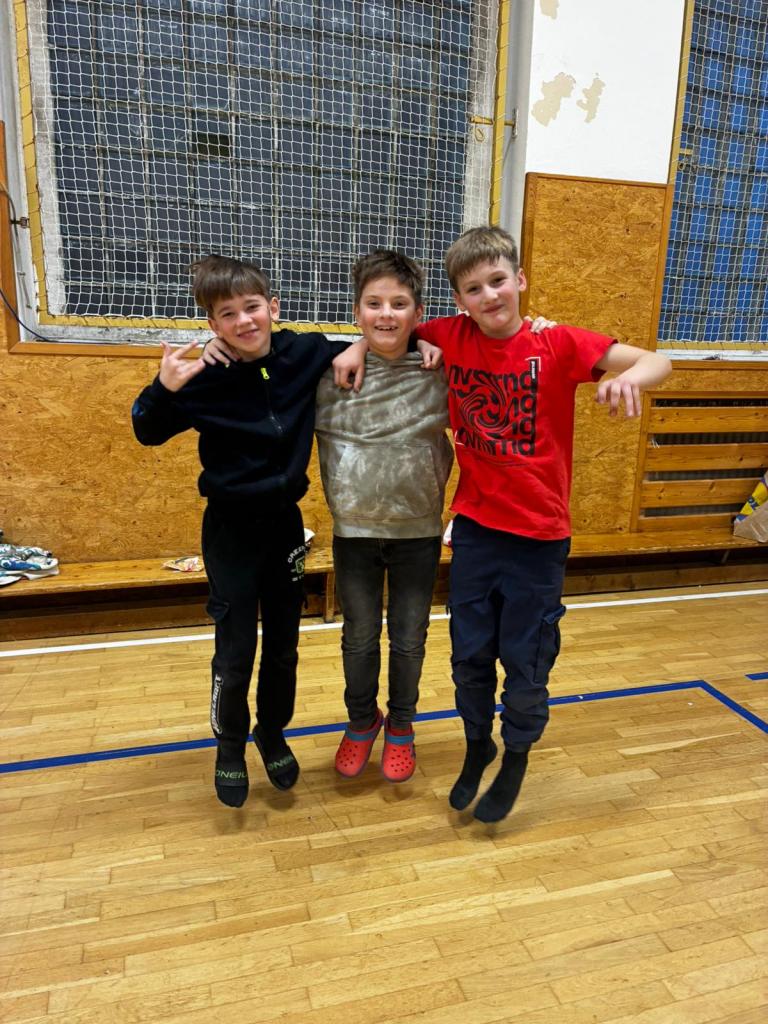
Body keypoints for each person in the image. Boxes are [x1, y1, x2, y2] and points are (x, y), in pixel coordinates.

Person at [415, 226, 672, 823]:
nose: (489, 296)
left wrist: (628, 378)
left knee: (526, 661)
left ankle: (516, 755)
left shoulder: (555, 342)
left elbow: (658, 359)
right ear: (459, 300)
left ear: (520, 280)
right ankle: (477, 745)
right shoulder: (449, 335)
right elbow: (386, 329)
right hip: (475, 529)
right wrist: (378, 348)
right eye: (474, 288)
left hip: (539, 536)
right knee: (469, 654)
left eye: (498, 281)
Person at [131, 255, 367, 808]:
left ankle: (272, 732)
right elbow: (146, 429)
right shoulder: (204, 377)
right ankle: (230, 744)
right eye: (227, 314)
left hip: (285, 527)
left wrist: (356, 346)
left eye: (252, 307)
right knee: (236, 649)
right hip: (230, 531)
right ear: (212, 324)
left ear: (273, 307)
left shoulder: (303, 353)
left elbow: (376, 341)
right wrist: (163, 387)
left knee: (284, 647)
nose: (243, 321)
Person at [314, 250, 453, 783]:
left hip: (418, 532)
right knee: (358, 637)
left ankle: (401, 725)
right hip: (354, 533)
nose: (386, 314)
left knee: (410, 638)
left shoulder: (439, 369)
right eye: (374, 303)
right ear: (357, 312)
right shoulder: (330, 372)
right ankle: (360, 721)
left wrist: (430, 342)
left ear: (418, 312)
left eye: (399, 303)